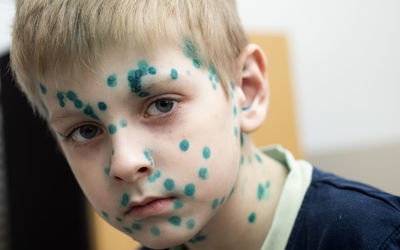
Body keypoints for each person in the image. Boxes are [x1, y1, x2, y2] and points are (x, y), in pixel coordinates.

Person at [10, 1, 400, 249]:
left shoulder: (375, 237)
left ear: (246, 91)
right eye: (85, 130)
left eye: (161, 104)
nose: (125, 163)